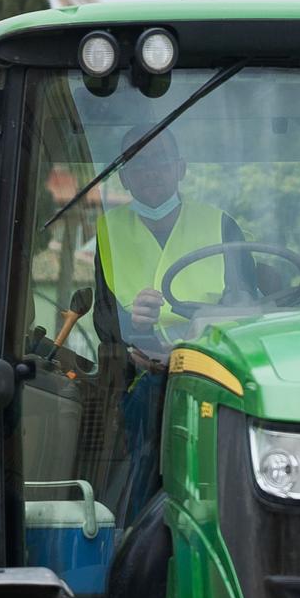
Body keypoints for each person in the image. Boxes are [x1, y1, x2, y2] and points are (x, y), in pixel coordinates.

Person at [92, 129, 256, 526]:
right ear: (124, 177)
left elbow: (247, 305)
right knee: (148, 422)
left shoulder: (221, 224)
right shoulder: (108, 230)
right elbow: (103, 319)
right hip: (142, 372)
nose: (151, 171)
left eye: (161, 159)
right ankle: (139, 534)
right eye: (138, 163)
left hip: (213, 370)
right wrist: (133, 322)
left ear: (181, 168)